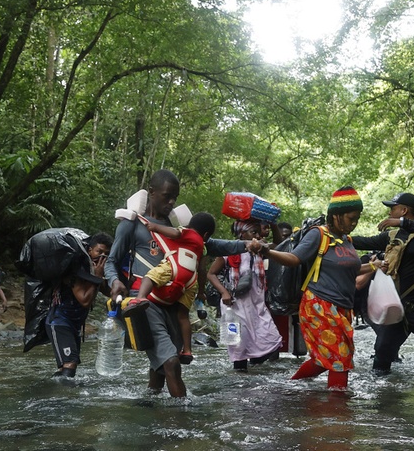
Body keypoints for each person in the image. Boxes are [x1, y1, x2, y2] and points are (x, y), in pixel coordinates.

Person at [104, 169, 259, 397]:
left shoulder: (177, 227)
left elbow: (212, 245)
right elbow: (112, 261)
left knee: (159, 368)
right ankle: (182, 423)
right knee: (171, 363)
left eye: (174, 197)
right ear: (152, 192)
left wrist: (246, 245)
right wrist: (114, 280)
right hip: (145, 302)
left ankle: (148, 405)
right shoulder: (133, 225)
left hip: (175, 304)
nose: (171, 201)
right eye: (167, 196)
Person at [256, 186, 383, 391]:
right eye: (351, 218)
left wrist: (376, 266)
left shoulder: (347, 240)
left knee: (323, 359)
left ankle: (290, 388)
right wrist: (267, 252)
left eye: (357, 218)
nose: (354, 223)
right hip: (319, 305)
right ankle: (337, 412)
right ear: (336, 216)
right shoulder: (318, 235)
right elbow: (294, 258)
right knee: (339, 359)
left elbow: (352, 268)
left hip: (342, 308)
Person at [350, 192, 414, 376]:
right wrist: (337, 235)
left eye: (392, 209)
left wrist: (403, 223)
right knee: (382, 353)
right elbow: (363, 241)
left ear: (404, 210)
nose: (389, 213)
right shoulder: (393, 236)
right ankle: (384, 396)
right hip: (398, 306)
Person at [130, 212, 217, 364]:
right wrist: (201, 292)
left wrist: (155, 227)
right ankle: (188, 350)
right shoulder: (202, 248)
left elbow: (176, 233)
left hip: (175, 267)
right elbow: (202, 271)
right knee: (183, 316)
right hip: (191, 280)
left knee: (150, 276)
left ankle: (140, 298)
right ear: (206, 234)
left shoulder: (188, 232)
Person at [207, 218, 283, 372]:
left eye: (258, 232)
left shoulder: (261, 250)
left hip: (256, 307)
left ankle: (256, 376)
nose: (258, 236)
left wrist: (273, 224)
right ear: (242, 235)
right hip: (234, 307)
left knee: (270, 341)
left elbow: (279, 244)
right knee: (238, 349)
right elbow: (211, 274)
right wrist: (224, 292)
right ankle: (240, 384)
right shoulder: (228, 252)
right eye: (253, 232)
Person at [47, 232, 112, 378]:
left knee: (66, 366)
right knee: (70, 363)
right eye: (99, 251)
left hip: (75, 324)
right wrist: (98, 277)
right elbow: (84, 300)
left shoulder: (93, 271)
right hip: (59, 322)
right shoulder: (74, 271)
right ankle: (64, 397)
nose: (102, 257)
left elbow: (108, 291)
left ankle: (56, 393)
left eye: (106, 254)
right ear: (90, 250)